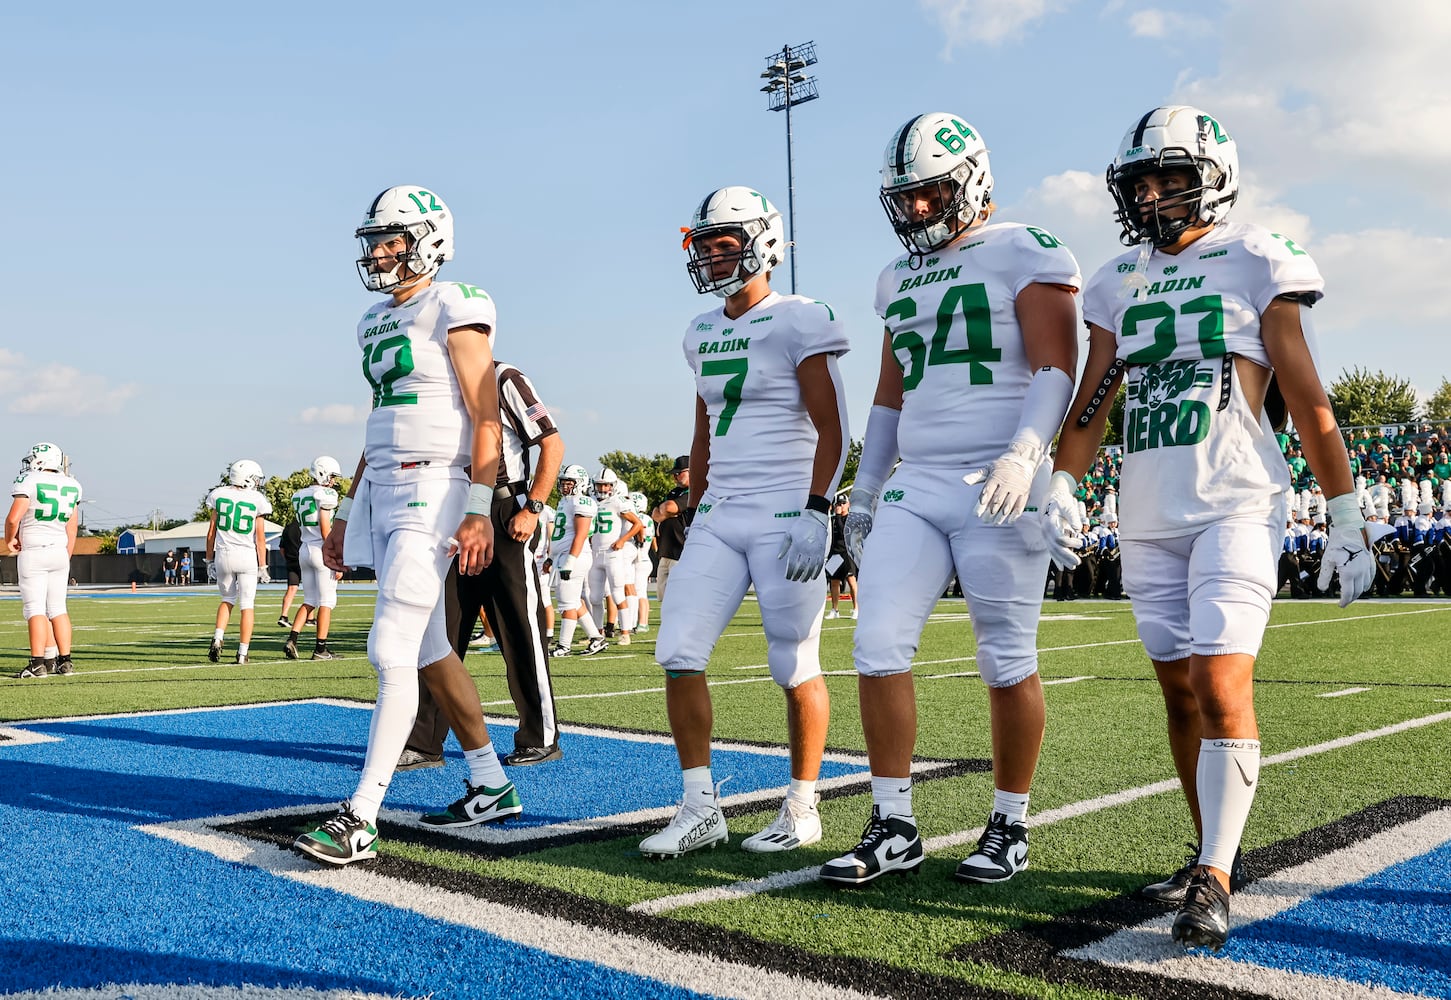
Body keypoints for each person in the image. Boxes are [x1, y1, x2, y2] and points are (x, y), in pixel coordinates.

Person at [1039, 106, 1386, 950]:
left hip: (1234, 500)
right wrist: (1060, 478)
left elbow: (1304, 392)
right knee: (1178, 690)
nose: (1153, 195)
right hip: (1149, 515)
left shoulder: (1256, 256)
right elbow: (1093, 397)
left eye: (1172, 177)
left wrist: (1343, 508)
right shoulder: (1116, 278)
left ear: (1214, 177)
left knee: (1222, 685)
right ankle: (1207, 848)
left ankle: (1216, 877)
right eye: (1140, 182)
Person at [817, 112, 1080, 888]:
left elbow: (1055, 365)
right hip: (919, 480)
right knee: (875, 645)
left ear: (971, 181)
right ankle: (892, 823)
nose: (918, 210)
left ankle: (1009, 824)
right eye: (908, 198)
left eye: (932, 194)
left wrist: (1026, 455)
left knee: (1004, 658)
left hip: (998, 477)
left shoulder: (1026, 248)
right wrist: (862, 491)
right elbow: (891, 393)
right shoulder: (895, 278)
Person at [293, 184, 521, 866]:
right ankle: (489, 782)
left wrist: (481, 506)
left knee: (387, 646)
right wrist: (347, 511)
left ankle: (360, 816)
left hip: (436, 483)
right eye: (374, 240)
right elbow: (382, 418)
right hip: (386, 485)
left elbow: (485, 415)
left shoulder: (456, 302)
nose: (379, 252)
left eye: (391, 239)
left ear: (428, 239)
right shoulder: (373, 319)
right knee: (425, 647)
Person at [640, 185, 848, 858]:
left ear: (761, 243)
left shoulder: (799, 317)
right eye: (703, 246)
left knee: (793, 663)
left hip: (785, 507)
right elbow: (700, 432)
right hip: (722, 512)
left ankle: (801, 805)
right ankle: (700, 808)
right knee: (676, 653)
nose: (709, 257)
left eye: (722, 243)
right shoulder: (700, 332)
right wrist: (695, 508)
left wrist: (819, 511)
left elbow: (833, 428)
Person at [400, 359, 567, 769]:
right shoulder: (433, 384)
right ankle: (424, 741)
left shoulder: (503, 377)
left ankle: (539, 735)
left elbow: (552, 443)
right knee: (442, 631)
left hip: (504, 511)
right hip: (452, 514)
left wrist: (533, 508)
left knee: (519, 628)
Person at [6, 443, 83, 677]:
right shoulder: (73, 484)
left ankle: (38, 663)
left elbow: (13, 519)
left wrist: (10, 540)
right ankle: (65, 661)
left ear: (40, 460)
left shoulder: (29, 480)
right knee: (58, 608)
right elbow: (72, 528)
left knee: (35, 608)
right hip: (59, 551)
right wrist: (65, 556)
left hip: (34, 550)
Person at [205, 459, 270, 665]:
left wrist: (208, 560)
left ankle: (218, 637)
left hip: (223, 554)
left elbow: (211, 533)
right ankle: (242, 653)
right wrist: (263, 566)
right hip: (247, 555)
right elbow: (260, 538)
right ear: (247, 478)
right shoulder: (256, 499)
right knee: (247, 605)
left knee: (227, 599)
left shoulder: (218, 495)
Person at [285, 456, 343, 661]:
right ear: (322, 472)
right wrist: (335, 556)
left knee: (309, 599)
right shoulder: (326, 494)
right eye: (332, 476)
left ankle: (292, 638)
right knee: (326, 601)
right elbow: (326, 527)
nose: (333, 481)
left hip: (305, 550)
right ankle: (321, 649)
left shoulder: (299, 495)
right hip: (321, 550)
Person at [547, 464, 608, 657]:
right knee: (574, 601)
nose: (565, 486)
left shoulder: (582, 502)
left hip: (574, 555)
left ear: (580, 483)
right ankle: (596, 638)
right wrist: (551, 557)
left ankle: (564, 645)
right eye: (563, 482)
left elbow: (581, 535)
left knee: (566, 603)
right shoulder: (565, 502)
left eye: (569, 483)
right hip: (562, 555)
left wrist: (570, 560)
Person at [586, 467, 643, 645]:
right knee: (594, 597)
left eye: (606, 486)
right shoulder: (590, 501)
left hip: (613, 554)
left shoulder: (618, 501)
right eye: (600, 485)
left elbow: (638, 523)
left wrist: (622, 540)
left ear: (613, 486)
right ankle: (597, 634)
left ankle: (625, 632)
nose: (603, 489)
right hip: (595, 554)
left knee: (618, 594)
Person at [651, 456, 690, 605]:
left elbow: (667, 508)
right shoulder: (674, 493)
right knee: (663, 597)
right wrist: (669, 511)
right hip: (665, 551)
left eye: (679, 473)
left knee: (679, 598)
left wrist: (668, 511)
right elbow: (656, 514)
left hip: (681, 551)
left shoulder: (695, 492)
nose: (675, 476)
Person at [825, 496, 858, 619]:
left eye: (843, 503)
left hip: (847, 553)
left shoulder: (851, 518)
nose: (841, 506)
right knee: (834, 582)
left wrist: (838, 516)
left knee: (851, 581)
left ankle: (856, 608)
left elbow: (844, 532)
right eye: (839, 503)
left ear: (848, 504)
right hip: (835, 553)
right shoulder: (833, 519)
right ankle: (835, 609)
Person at [277, 520, 305, 628]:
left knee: (291, 588)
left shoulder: (288, 527)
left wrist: (288, 559)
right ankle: (310, 618)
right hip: (303, 560)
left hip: (291, 561)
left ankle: (284, 616)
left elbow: (282, 548)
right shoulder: (305, 526)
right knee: (310, 590)